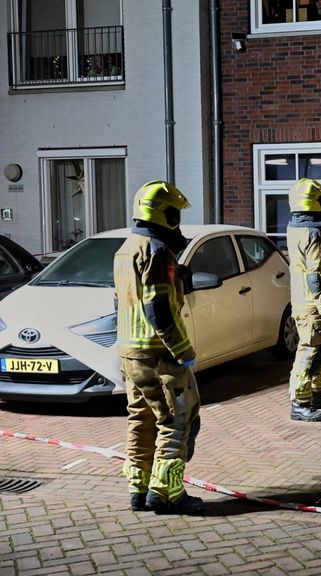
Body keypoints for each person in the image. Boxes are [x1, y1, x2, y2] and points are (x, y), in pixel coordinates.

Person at [114, 181, 203, 514]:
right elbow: (158, 308)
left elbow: (123, 301)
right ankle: (168, 494)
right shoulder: (156, 250)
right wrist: (183, 351)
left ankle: (138, 488)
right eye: (175, 213)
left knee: (141, 419)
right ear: (163, 214)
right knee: (176, 420)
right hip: (158, 353)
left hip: (130, 353)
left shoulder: (126, 248)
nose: (178, 220)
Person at [286, 178, 321, 422]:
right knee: (308, 352)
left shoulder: (297, 228)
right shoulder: (313, 234)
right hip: (313, 307)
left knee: (319, 351)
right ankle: (300, 402)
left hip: (305, 303)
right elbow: (315, 278)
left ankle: (315, 393)